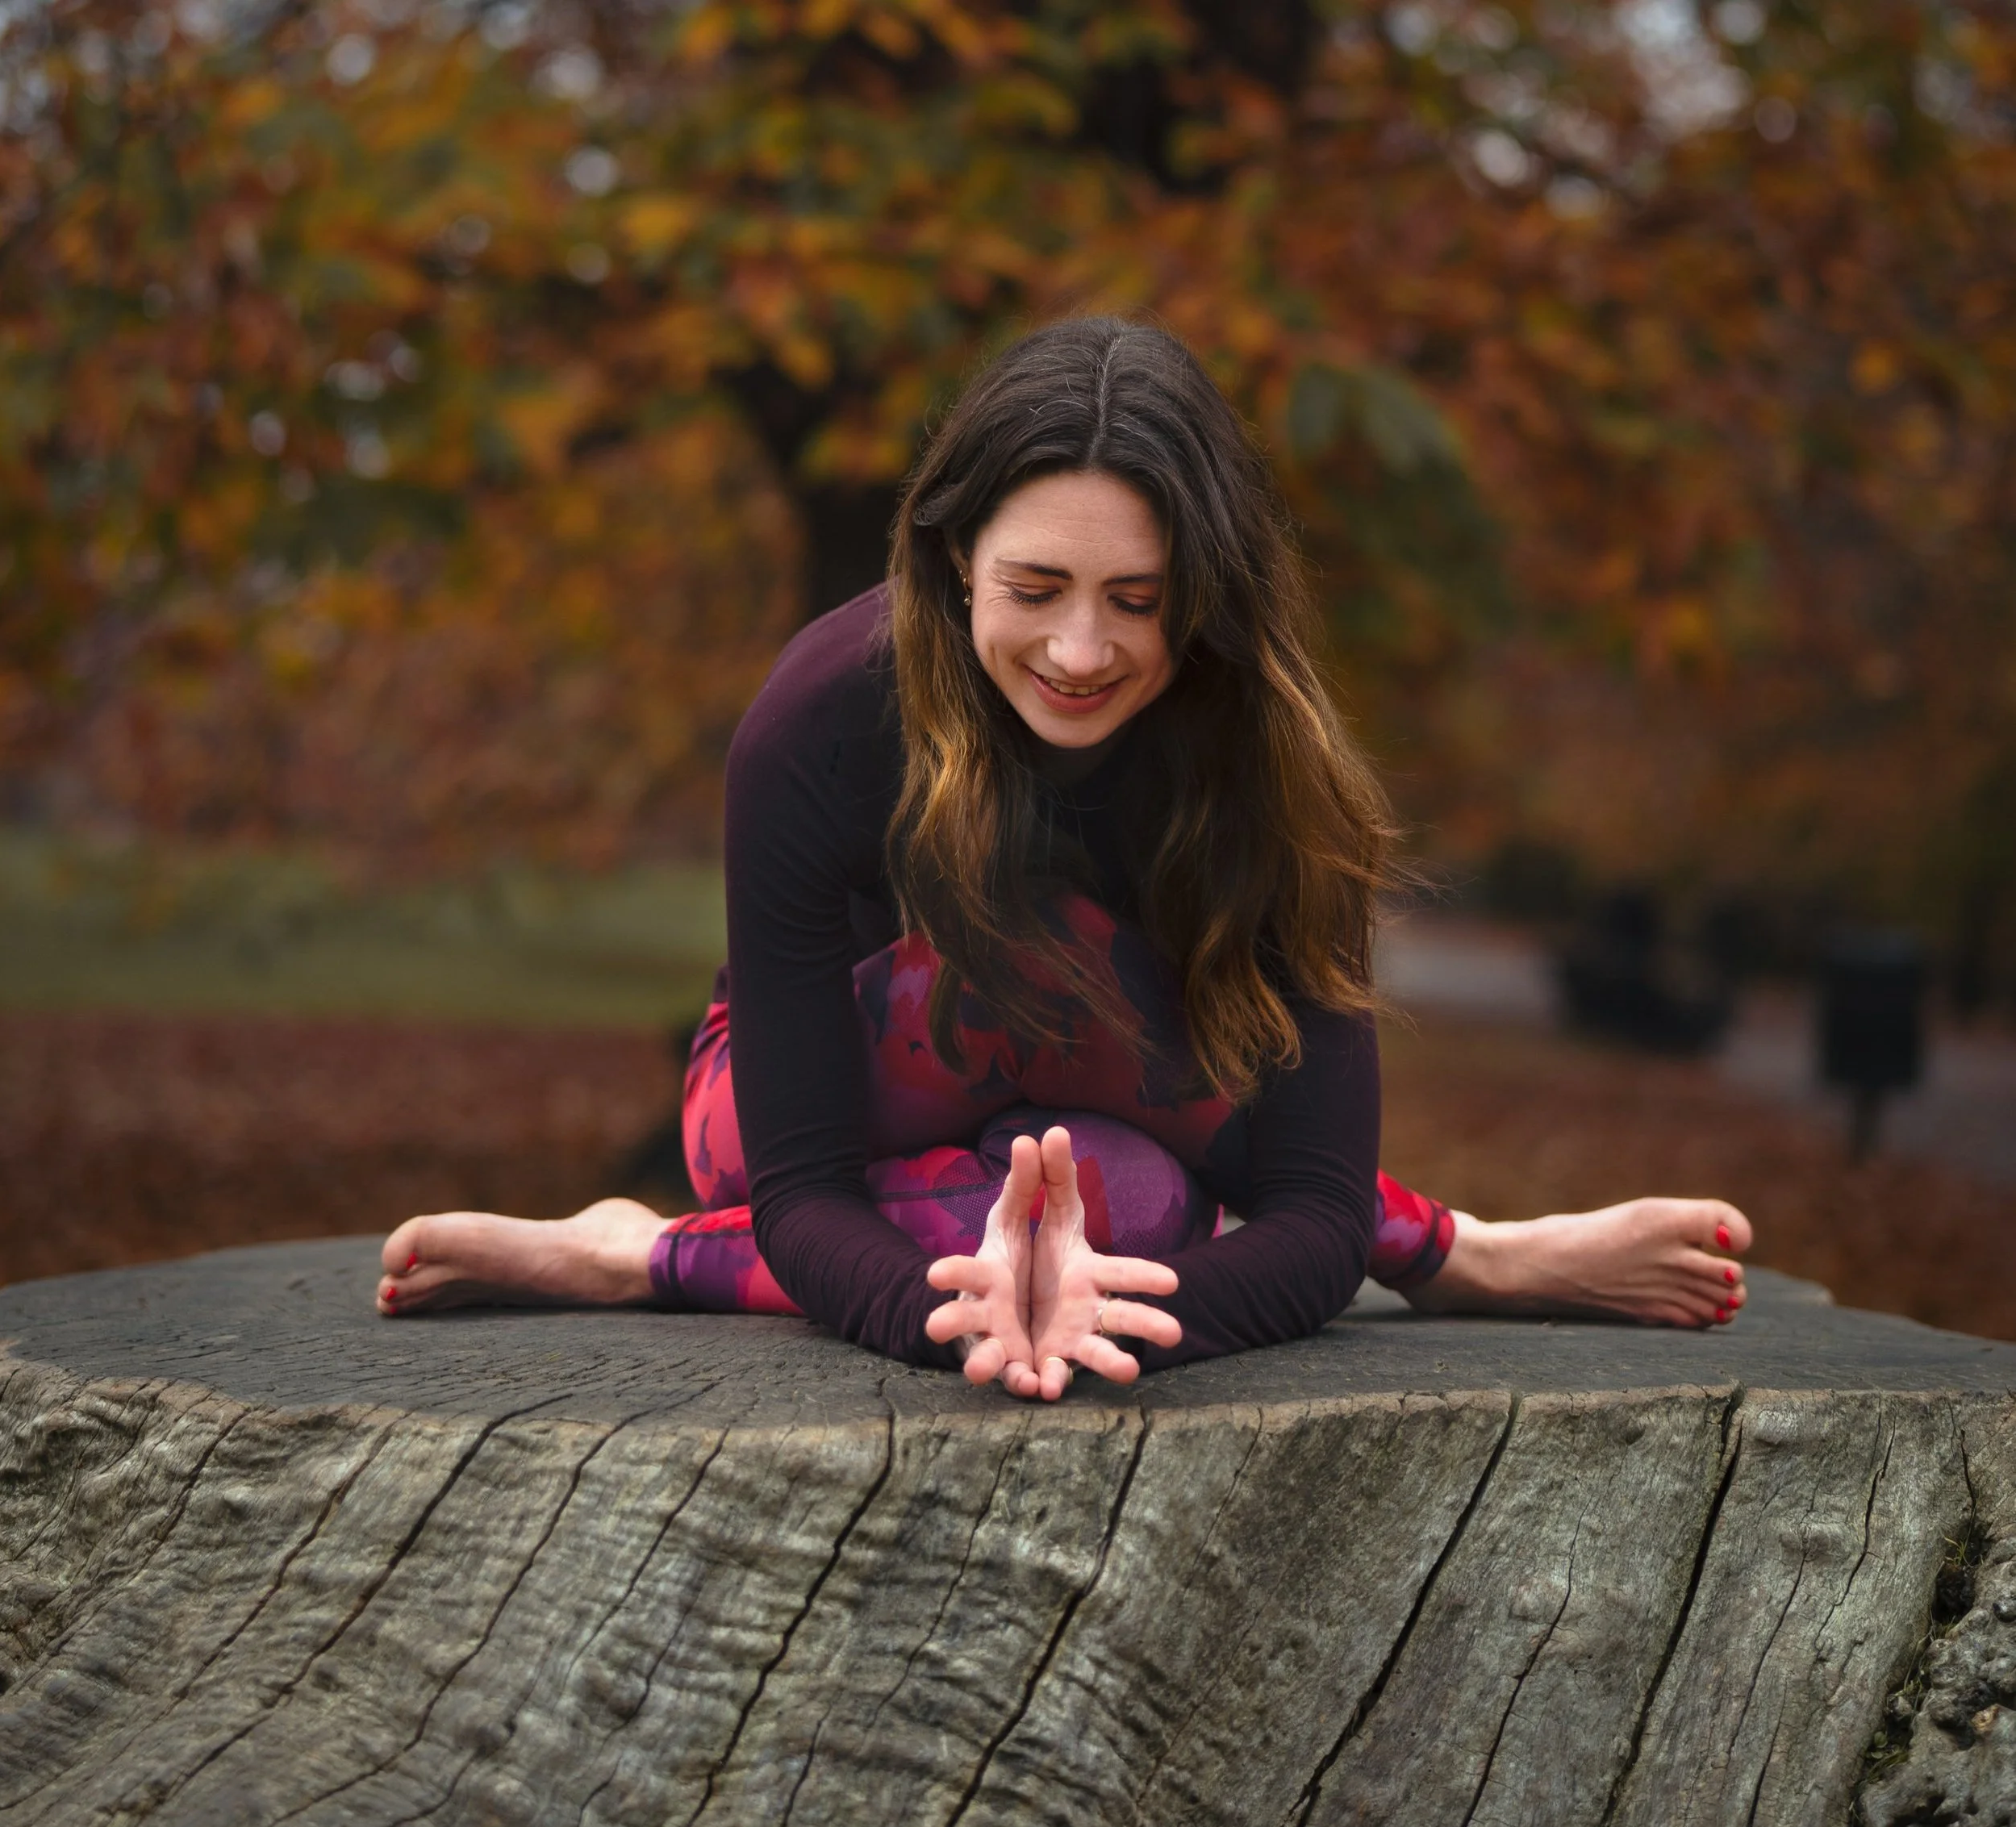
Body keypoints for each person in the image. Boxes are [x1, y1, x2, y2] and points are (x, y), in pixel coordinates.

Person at [377, 319, 1751, 1401]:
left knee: (1132, 1208)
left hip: (1105, 1129)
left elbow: (1316, 1210)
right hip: (806, 1108)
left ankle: (646, 1261)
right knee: (1041, 987)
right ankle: (1457, 1254)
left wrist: (1095, 1322)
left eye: (1138, 603)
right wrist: (956, 1324)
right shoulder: (817, 722)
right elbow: (798, 1190)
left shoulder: (1264, 754)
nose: (1082, 654)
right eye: (1035, 592)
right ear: (955, 553)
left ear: (1204, 595)